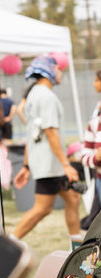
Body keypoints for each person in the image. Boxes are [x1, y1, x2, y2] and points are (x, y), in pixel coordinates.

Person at [11, 55, 81, 241]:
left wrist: (26, 166)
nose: (61, 72)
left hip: (47, 162)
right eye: (58, 68)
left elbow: (32, 133)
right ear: (48, 71)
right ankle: (9, 244)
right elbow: (50, 132)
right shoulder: (47, 97)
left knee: (73, 198)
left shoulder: (33, 95)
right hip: (51, 164)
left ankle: (75, 243)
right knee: (42, 208)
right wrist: (66, 165)